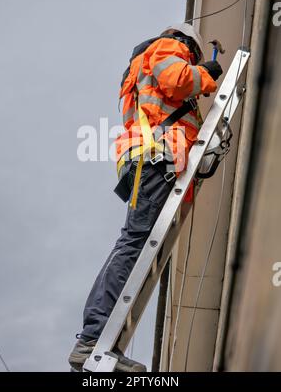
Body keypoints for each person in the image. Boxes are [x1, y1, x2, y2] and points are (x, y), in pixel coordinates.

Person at [68, 23, 223, 372]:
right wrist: (206, 75)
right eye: (195, 55)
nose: (195, 60)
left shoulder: (143, 67)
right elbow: (177, 80)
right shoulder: (169, 47)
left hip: (149, 159)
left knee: (133, 243)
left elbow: (172, 104)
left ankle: (94, 338)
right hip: (155, 159)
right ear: (188, 45)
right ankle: (92, 340)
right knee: (134, 244)